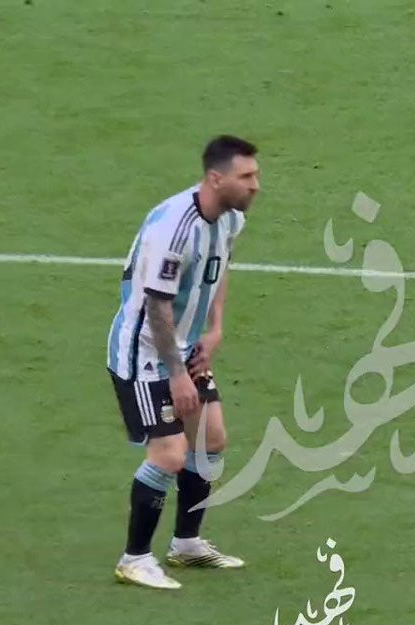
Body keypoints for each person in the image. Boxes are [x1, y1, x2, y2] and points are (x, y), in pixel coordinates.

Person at [105, 135, 260, 589]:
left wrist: (215, 328)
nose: (255, 185)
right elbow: (157, 306)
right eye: (246, 176)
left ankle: (186, 544)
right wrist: (176, 375)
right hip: (144, 354)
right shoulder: (175, 229)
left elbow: (221, 266)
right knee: (171, 453)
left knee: (210, 438)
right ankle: (134, 558)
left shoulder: (230, 218)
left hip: (186, 346)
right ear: (216, 178)